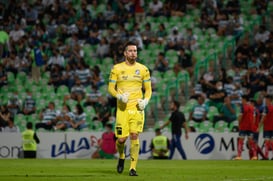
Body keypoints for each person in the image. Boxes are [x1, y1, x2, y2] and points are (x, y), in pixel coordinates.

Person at [108, 41, 152, 176]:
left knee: (134, 135)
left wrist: (145, 101)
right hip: (122, 109)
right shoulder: (116, 68)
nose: (134, 53)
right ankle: (121, 156)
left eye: (135, 51)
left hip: (137, 108)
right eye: (131, 51)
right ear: (125, 53)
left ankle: (133, 168)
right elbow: (110, 88)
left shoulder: (143, 69)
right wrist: (119, 97)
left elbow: (149, 90)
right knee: (121, 140)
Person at [234, 95, 257, 160]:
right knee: (251, 141)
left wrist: (239, 124)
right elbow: (254, 118)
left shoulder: (243, 107)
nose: (241, 101)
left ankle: (239, 156)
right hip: (250, 127)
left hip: (244, 126)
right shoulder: (252, 107)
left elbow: (240, 117)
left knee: (241, 141)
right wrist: (252, 125)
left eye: (242, 99)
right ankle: (255, 156)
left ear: (244, 99)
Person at [259, 95, 273, 160]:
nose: (265, 101)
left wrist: (259, 127)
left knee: (267, 142)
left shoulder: (266, 108)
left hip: (267, 128)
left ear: (269, 100)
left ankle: (266, 156)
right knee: (271, 142)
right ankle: (266, 156)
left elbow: (263, 118)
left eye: (266, 100)